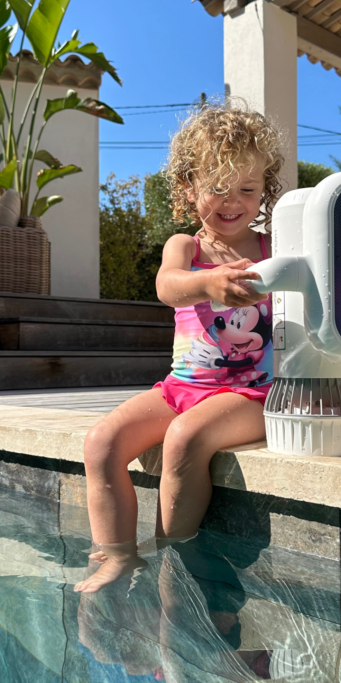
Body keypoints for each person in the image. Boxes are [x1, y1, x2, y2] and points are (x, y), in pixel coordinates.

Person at [76, 105, 283, 593]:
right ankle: (119, 554)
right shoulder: (185, 247)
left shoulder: (275, 249)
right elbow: (168, 286)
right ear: (189, 187)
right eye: (217, 187)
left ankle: (177, 557)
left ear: (264, 191)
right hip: (181, 387)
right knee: (101, 443)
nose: (232, 201)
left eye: (247, 189)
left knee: (185, 439)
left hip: (251, 393)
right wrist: (208, 281)